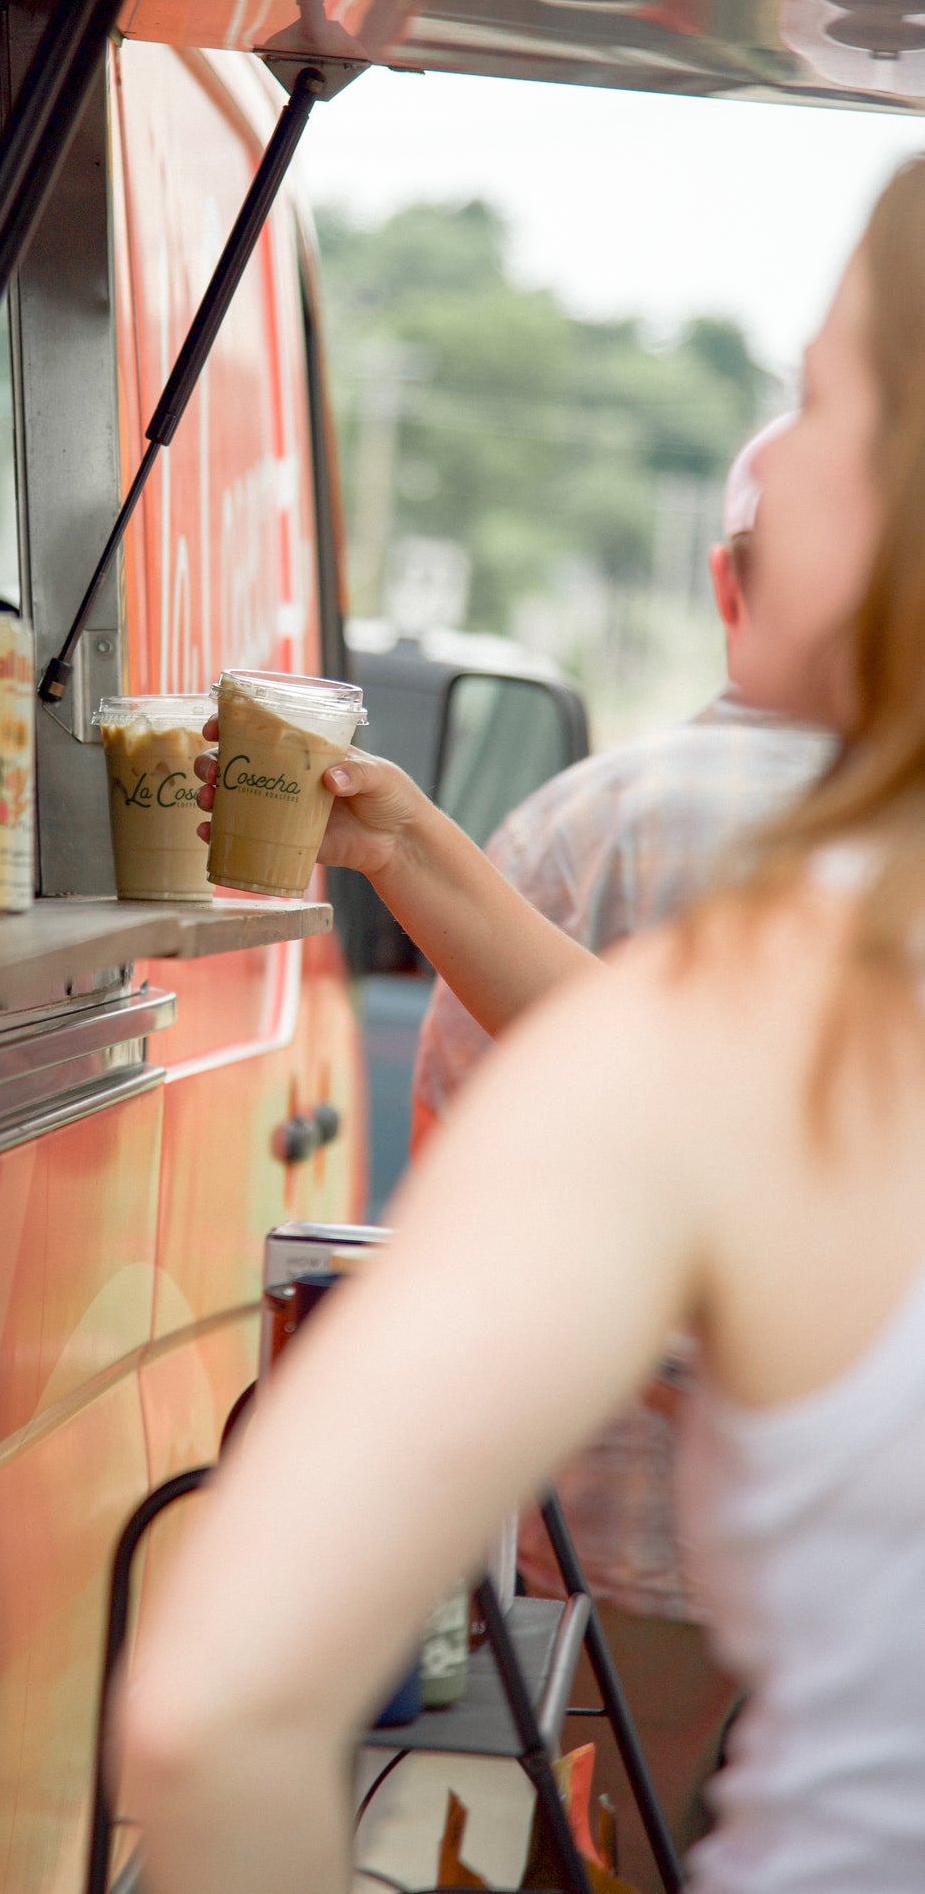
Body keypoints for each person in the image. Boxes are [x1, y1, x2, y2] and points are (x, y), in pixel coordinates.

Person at [118, 156, 925, 1894]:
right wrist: (409, 840)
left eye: (826, 399)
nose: (776, 460)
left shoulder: (758, 1025)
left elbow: (220, 1708)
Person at [406, 422, 835, 1886]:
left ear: (728, 582)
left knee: (592, 1855)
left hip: (604, 1537)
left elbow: (460, 1172)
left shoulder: (570, 827)